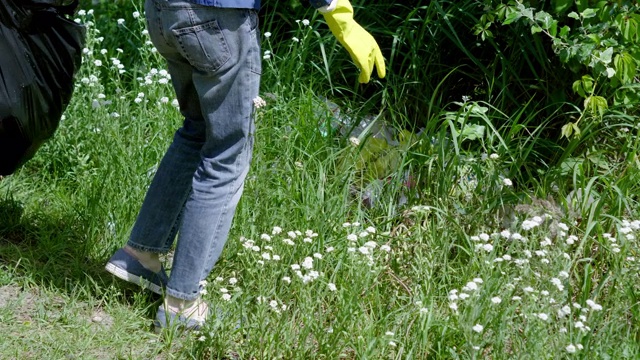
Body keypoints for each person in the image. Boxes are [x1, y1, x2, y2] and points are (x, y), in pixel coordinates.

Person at [105, 0, 385, 331]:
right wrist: (335, 10)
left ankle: (140, 256)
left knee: (197, 131)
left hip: (163, 11)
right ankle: (182, 303)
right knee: (228, 153)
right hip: (217, 18)